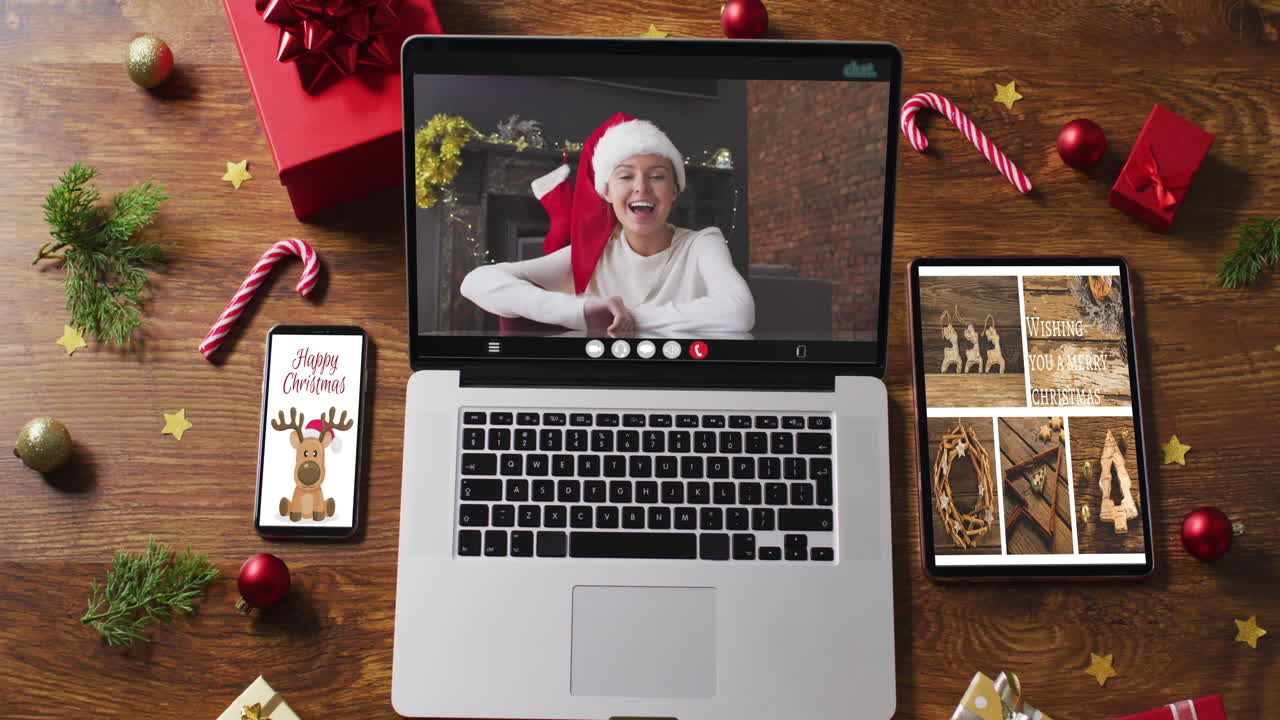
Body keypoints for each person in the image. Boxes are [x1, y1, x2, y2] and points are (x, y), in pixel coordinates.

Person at [459, 114, 754, 337]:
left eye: (657, 176)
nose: (642, 188)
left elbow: (739, 311)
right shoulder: (594, 255)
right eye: (626, 177)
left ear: (675, 192)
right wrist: (583, 311)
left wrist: (628, 319)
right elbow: (476, 282)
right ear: (607, 192)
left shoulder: (703, 244)